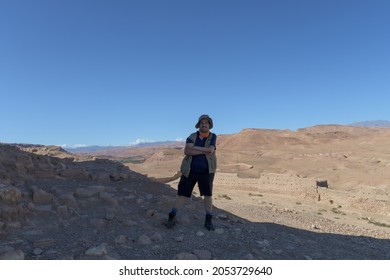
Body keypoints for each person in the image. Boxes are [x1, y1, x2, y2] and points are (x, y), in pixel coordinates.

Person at [165, 114, 217, 230]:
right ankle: (172, 215)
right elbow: (187, 151)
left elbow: (211, 150)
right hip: (190, 171)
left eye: (206, 123)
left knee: (208, 195)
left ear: (209, 125)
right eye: (202, 123)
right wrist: (204, 150)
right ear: (199, 125)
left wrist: (196, 148)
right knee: (182, 194)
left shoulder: (213, 136)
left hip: (207, 171)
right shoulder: (192, 136)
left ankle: (208, 219)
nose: (204, 125)